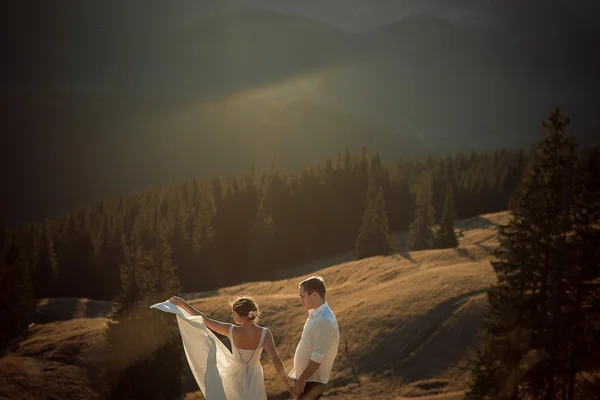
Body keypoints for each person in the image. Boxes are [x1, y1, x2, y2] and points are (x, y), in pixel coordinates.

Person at [167, 295, 292, 399]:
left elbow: (205, 320)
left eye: (234, 313)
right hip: (254, 377)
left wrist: (184, 304)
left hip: (233, 375)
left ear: (243, 315)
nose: (232, 316)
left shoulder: (231, 330)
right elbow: (276, 359)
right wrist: (288, 384)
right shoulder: (265, 333)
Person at [288, 275, 340, 399]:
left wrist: (302, 380)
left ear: (314, 295)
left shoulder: (324, 319)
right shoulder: (316, 315)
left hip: (312, 381)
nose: (301, 301)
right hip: (307, 379)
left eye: (303, 296)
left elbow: (319, 355)